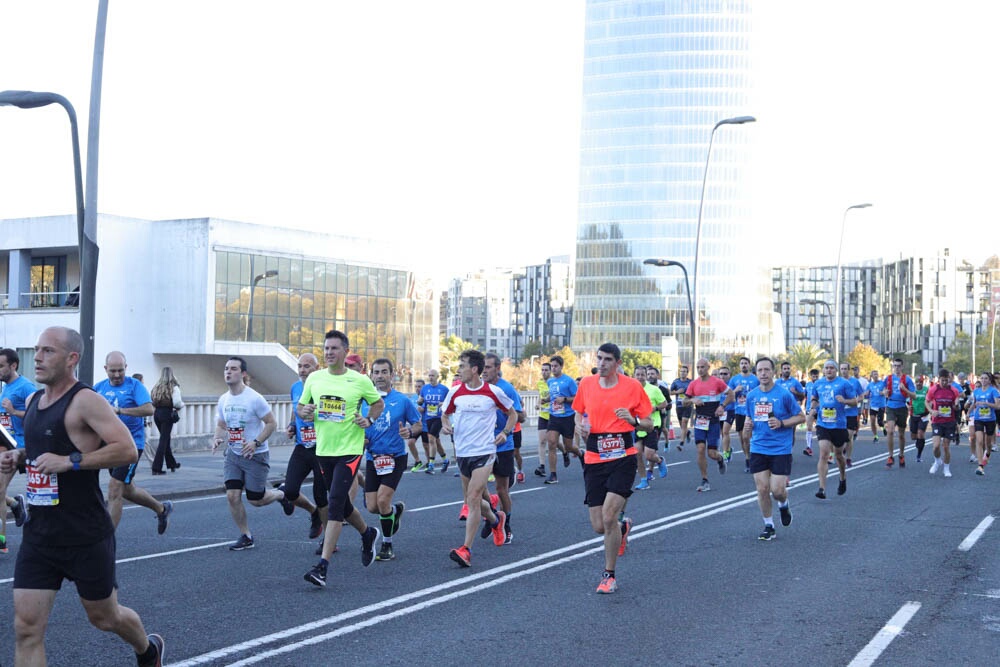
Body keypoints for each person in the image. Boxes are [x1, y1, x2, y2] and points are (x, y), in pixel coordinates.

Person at [0, 327, 164, 666]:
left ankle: (147, 651)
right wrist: (20, 456)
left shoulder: (85, 400)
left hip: (84, 533)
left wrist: (71, 461)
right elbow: (43, 448)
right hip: (39, 534)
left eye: (48, 351)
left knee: (105, 618)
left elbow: (126, 450)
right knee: (26, 629)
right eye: (37, 349)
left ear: (72, 358)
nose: (39, 357)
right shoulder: (33, 401)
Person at [301, 331, 385, 587]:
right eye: (326, 348)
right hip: (324, 449)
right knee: (341, 504)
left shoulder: (358, 380)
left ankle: (322, 567)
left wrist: (368, 420)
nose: (329, 353)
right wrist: (305, 412)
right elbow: (302, 408)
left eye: (334, 348)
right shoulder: (314, 378)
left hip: (349, 449)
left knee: (336, 501)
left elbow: (378, 404)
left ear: (345, 351)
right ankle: (367, 533)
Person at [572, 342, 652, 593]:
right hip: (595, 456)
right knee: (599, 525)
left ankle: (609, 575)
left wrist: (635, 420)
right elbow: (577, 412)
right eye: (599, 359)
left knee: (608, 517)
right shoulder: (586, 384)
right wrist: (579, 426)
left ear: (618, 363)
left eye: (607, 360)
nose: (602, 364)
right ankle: (623, 527)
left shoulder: (632, 387)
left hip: (623, 456)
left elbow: (649, 423)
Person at [440, 350, 514, 568]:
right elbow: (445, 414)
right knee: (472, 500)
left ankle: (466, 550)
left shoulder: (493, 391)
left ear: (474, 369)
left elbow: (513, 414)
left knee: (473, 498)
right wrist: (445, 424)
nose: (458, 370)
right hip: (463, 453)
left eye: (462, 366)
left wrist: (505, 433)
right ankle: (495, 520)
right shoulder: (454, 392)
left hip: (485, 451)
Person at [213, 356, 288, 551]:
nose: (228, 372)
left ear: (243, 373)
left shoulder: (254, 398)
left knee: (256, 499)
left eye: (233, 369)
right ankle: (246, 535)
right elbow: (221, 424)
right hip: (233, 455)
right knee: (232, 495)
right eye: (226, 368)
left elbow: (272, 423)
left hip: (255, 455)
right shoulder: (223, 399)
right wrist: (217, 438)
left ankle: (281, 494)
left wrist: (256, 442)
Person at [94, 352, 173, 534]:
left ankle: (107, 539)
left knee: (115, 488)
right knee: (127, 489)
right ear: (105, 369)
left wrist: (120, 411)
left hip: (130, 446)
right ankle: (161, 508)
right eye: (112, 371)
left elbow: (148, 409)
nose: (116, 375)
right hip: (107, 445)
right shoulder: (98, 388)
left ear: (126, 368)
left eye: (120, 370)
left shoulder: (134, 386)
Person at [363, 358, 422, 561]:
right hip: (373, 457)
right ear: (371, 375)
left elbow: (418, 424)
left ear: (392, 375)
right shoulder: (364, 401)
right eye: (376, 372)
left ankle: (387, 545)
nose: (380, 376)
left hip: (395, 457)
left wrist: (409, 431)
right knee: (372, 506)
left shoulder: (402, 400)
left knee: (382, 499)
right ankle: (395, 511)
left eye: (384, 372)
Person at [742, 357, 805, 540]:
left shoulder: (784, 394)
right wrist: (748, 426)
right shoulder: (752, 396)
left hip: (780, 449)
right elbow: (750, 417)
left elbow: (800, 417)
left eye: (766, 370)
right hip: (758, 447)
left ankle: (783, 504)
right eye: (760, 370)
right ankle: (769, 525)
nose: (763, 373)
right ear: (756, 373)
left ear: (773, 372)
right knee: (762, 489)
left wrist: (782, 423)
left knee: (777, 490)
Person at [278, 353, 327, 549]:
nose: (302, 370)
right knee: (289, 490)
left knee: (321, 495)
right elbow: (295, 408)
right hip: (302, 445)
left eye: (307, 366)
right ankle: (313, 512)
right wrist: (292, 424)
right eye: (300, 366)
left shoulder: (325, 387)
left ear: (316, 368)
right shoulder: (295, 387)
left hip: (322, 447)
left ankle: (328, 539)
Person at [483, 353, 524, 543]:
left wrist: (503, 413)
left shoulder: (506, 388)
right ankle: (492, 515)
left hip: (502, 444)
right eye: (482, 367)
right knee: (477, 486)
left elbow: (520, 416)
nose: (484, 371)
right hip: (482, 445)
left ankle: (506, 523)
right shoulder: (479, 388)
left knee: (501, 489)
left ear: (498, 368)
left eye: (489, 367)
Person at [1, 348, 36, 554]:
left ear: (13, 365)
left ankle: (1, 540)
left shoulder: (26, 387)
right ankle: (15, 504)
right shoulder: (5, 388)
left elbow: (37, 414)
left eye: (1, 366)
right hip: (5, 444)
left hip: (21, 446)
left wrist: (14, 411)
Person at [808, 360, 858, 498]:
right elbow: (814, 399)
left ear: (836, 370)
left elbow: (855, 402)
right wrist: (813, 408)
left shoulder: (844, 383)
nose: (829, 370)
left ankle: (842, 477)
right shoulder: (818, 383)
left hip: (839, 424)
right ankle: (822, 488)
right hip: (823, 423)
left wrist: (845, 401)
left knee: (838, 455)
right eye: (826, 368)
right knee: (824, 453)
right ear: (823, 370)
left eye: (831, 368)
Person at [685, 359, 735, 492]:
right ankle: (704, 479)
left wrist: (722, 406)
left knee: (712, 453)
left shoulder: (717, 382)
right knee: (700, 449)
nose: (700, 369)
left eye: (702, 367)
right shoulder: (693, 384)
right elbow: (684, 401)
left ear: (708, 367)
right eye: (697, 367)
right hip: (700, 422)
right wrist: (691, 400)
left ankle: (720, 459)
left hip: (713, 422)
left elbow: (732, 395)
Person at [544, 355, 581, 484]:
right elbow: (552, 395)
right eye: (552, 366)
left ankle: (580, 454)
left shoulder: (569, 381)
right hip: (554, 416)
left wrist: (564, 399)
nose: (553, 369)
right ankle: (553, 474)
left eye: (555, 366)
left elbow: (577, 398)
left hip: (567, 417)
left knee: (569, 446)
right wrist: (546, 399)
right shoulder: (550, 381)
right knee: (552, 443)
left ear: (561, 366)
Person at [632, 365, 668, 490]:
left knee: (649, 455)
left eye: (643, 374)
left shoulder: (654, 389)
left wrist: (655, 408)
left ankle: (659, 461)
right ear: (634, 376)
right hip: (637, 426)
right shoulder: (631, 390)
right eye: (638, 374)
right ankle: (643, 480)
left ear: (646, 376)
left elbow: (664, 403)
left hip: (653, 425)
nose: (640, 377)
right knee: (637, 454)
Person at [927, 369, 963, 478]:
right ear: (939, 379)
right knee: (936, 446)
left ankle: (946, 468)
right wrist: (931, 411)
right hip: (937, 421)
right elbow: (927, 401)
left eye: (946, 380)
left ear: (949, 379)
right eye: (942, 380)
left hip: (949, 422)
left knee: (946, 446)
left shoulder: (953, 390)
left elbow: (956, 404)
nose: (944, 383)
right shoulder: (933, 390)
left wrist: (956, 405)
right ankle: (937, 461)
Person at [728, 356, 760, 473]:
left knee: (748, 437)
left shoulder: (755, 379)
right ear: (739, 366)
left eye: (746, 363)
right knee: (742, 438)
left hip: (752, 412)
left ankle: (752, 458)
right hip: (739, 411)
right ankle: (747, 457)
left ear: (749, 365)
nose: (744, 365)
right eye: (742, 363)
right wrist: (736, 390)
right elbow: (729, 394)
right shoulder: (734, 379)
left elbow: (760, 392)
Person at [150, 366, 185, 474]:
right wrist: (182, 405)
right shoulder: (173, 387)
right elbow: (177, 403)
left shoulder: (157, 387)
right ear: (171, 374)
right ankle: (156, 468)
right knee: (163, 440)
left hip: (157, 414)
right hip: (167, 414)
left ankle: (171, 464)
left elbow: (152, 399)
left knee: (165, 439)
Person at [882, 358, 915, 469]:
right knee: (890, 431)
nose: (896, 368)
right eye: (894, 366)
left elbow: (914, 395)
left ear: (902, 367)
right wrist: (884, 392)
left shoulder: (907, 379)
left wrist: (905, 389)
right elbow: (881, 390)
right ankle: (890, 456)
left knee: (901, 434)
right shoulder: (888, 378)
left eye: (898, 366)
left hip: (902, 407)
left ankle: (901, 454)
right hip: (891, 406)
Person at [417, 369, 451, 474]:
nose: (430, 377)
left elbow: (450, 402)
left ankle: (431, 464)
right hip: (428, 417)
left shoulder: (444, 389)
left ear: (437, 376)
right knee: (436, 441)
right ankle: (445, 460)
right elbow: (421, 401)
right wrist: (419, 402)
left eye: (432, 375)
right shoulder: (425, 388)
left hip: (439, 417)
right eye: (429, 375)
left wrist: (443, 404)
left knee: (431, 438)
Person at [969, 371, 1000, 476]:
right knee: (979, 440)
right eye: (981, 378)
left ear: (989, 380)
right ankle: (980, 465)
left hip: (990, 419)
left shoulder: (994, 391)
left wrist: (986, 403)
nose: (983, 380)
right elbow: (974, 403)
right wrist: (969, 412)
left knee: (988, 444)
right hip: (979, 419)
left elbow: (997, 406)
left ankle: (987, 455)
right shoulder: (976, 391)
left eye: (985, 378)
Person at [775, 361, 805, 452]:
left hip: (792, 410)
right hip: (779, 409)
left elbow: (803, 395)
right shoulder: (777, 382)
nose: (786, 370)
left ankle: (789, 451)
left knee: (791, 432)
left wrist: (795, 392)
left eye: (788, 368)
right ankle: (779, 450)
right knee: (779, 430)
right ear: (781, 370)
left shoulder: (795, 382)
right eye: (785, 369)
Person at [840, 362, 865, 467]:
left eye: (845, 369)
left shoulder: (855, 382)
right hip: (840, 413)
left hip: (852, 412)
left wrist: (856, 401)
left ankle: (847, 456)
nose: (844, 371)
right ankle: (844, 457)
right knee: (844, 437)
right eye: (842, 369)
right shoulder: (837, 382)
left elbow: (861, 395)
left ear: (849, 370)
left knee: (848, 436)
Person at [534, 361, 552, 478]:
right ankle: (542, 466)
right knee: (542, 441)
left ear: (550, 371)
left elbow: (555, 396)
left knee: (552, 442)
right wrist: (537, 404)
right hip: (543, 415)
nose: (544, 372)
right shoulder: (540, 383)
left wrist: (547, 400)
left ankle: (565, 452)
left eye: (546, 370)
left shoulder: (553, 382)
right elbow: (540, 396)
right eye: (542, 370)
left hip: (554, 415)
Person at [669, 365, 693, 450]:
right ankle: (687, 433)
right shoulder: (676, 382)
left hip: (687, 405)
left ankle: (681, 443)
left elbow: (695, 392)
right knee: (682, 425)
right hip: (679, 406)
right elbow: (670, 392)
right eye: (681, 371)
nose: (682, 373)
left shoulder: (690, 382)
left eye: (684, 371)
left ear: (687, 373)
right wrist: (677, 392)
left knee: (684, 422)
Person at [908, 375, 930, 462]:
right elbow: (907, 401)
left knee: (920, 433)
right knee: (914, 436)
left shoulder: (926, 390)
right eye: (917, 382)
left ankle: (919, 455)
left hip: (924, 415)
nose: (918, 384)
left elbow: (930, 400)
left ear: (923, 382)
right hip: (914, 415)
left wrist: (929, 408)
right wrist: (908, 407)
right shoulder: (912, 390)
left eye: (920, 382)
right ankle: (918, 441)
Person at [717, 366, 736, 461]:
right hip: (720, 411)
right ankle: (728, 450)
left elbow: (734, 397)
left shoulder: (731, 385)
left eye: (725, 374)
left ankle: (725, 453)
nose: (723, 376)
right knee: (722, 433)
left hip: (730, 410)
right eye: (721, 374)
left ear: (729, 375)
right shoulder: (717, 385)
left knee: (725, 431)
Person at [406, 378, 426, 469]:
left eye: (419, 387)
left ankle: (430, 463)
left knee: (426, 445)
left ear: (424, 387)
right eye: (416, 387)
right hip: (416, 426)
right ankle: (418, 461)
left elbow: (422, 409)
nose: (417, 388)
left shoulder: (426, 397)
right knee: (410, 442)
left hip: (425, 425)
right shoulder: (413, 398)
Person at [803, 368, 820, 456]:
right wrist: (803, 407)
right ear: (811, 377)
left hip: (820, 409)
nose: (815, 378)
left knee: (821, 429)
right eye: (813, 376)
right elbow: (805, 396)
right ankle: (808, 447)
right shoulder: (808, 385)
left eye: (817, 376)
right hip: (809, 409)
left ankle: (826, 449)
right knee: (809, 427)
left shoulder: (821, 384)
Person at [868, 370, 886, 442]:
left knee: (880, 422)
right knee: (872, 421)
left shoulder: (882, 383)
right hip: (873, 405)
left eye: (876, 374)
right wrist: (863, 395)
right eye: (874, 374)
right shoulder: (870, 385)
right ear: (872, 376)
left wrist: (883, 392)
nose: (876, 376)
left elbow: (885, 391)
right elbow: (867, 392)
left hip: (881, 405)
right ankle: (876, 436)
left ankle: (883, 428)